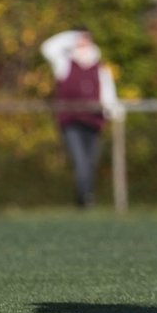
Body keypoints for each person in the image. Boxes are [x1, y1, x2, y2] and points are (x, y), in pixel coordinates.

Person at [41, 28, 119, 208]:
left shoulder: (100, 67)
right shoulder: (65, 64)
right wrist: (71, 36)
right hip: (71, 121)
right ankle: (85, 199)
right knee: (81, 160)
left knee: (91, 162)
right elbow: (48, 48)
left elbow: (107, 94)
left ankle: (85, 196)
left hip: (93, 121)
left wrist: (112, 111)